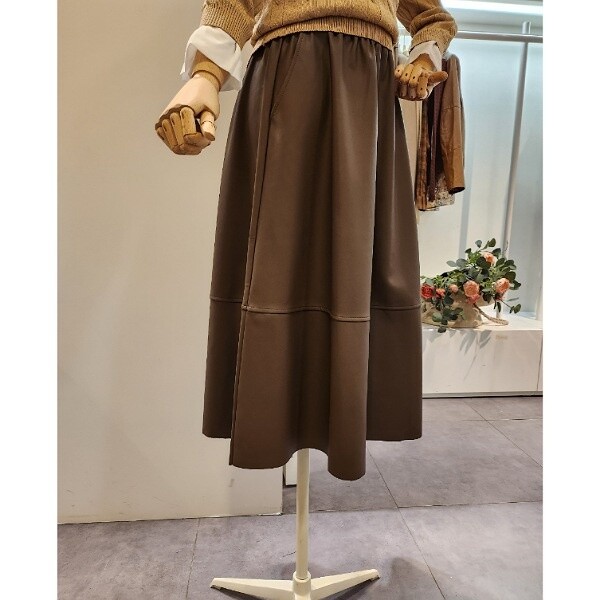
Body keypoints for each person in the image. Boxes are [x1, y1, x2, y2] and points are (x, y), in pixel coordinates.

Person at [153, 1, 458, 482]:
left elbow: (432, 18)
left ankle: (342, 410)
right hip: (286, 73)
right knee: (276, 258)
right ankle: (273, 413)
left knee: (357, 262)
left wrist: (423, 57)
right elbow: (234, 4)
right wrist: (204, 77)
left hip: (369, 91)